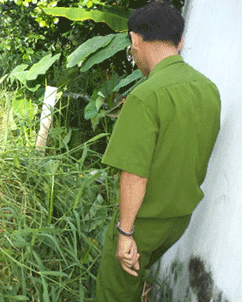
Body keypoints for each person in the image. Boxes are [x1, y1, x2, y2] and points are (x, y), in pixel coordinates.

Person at [95, 2, 221, 301]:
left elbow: (134, 174)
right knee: (140, 278)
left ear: (136, 40)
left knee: (115, 291)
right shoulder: (209, 90)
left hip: (144, 225)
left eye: (131, 46)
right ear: (180, 41)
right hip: (178, 221)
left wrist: (126, 232)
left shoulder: (145, 96)